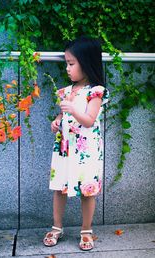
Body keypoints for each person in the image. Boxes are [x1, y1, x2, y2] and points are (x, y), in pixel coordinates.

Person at [43, 36, 109, 251]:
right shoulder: (65, 91)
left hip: (86, 150)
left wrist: (73, 110)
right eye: (66, 64)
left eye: (71, 64)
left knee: (87, 189)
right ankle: (56, 227)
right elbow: (63, 118)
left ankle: (86, 230)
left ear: (87, 62)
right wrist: (57, 122)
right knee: (59, 187)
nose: (68, 69)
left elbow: (89, 120)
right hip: (64, 149)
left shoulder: (95, 92)